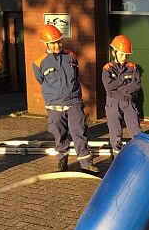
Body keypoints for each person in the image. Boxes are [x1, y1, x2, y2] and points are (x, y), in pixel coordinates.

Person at [32, 25, 99, 173]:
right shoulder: (38, 62)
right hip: (54, 104)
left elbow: (76, 74)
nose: (57, 45)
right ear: (46, 44)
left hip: (74, 101)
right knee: (59, 134)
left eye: (59, 42)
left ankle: (86, 163)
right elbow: (41, 80)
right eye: (54, 43)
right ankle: (62, 160)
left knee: (79, 131)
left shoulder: (71, 55)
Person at [102, 35, 142, 158]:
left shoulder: (133, 67)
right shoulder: (107, 68)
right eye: (121, 54)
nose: (124, 58)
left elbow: (136, 86)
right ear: (114, 52)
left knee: (136, 130)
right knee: (115, 131)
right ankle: (117, 156)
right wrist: (123, 80)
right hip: (113, 102)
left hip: (128, 102)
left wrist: (118, 85)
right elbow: (108, 86)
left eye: (126, 55)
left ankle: (139, 154)